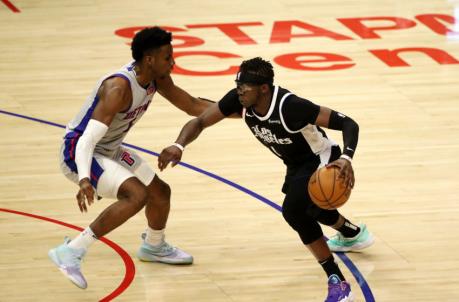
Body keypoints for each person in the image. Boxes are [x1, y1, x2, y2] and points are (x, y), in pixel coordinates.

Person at [157, 57, 374, 302]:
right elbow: (200, 120)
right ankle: (352, 233)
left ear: (263, 89)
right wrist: (179, 144)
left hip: (321, 158)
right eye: (237, 85)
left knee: (293, 210)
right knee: (311, 207)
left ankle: (338, 282)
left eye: (244, 87)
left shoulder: (292, 107)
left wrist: (347, 157)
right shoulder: (239, 101)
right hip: (294, 163)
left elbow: (348, 123)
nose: (239, 91)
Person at [48, 27, 215, 289]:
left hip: (110, 149)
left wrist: (240, 110)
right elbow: (86, 141)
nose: (173, 62)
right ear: (149, 59)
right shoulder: (118, 88)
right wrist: (83, 180)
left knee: (160, 192)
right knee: (137, 195)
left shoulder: (156, 78)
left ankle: (154, 246)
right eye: (168, 57)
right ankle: (71, 251)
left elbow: (193, 105)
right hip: (79, 153)